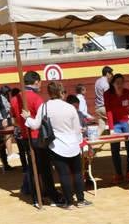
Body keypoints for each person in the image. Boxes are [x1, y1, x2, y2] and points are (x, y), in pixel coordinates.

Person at [24, 81, 91, 209]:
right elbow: (77, 129)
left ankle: (69, 202)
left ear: (49, 93)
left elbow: (35, 125)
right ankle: (81, 200)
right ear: (61, 92)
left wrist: (27, 117)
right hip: (73, 145)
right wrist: (78, 143)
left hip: (56, 146)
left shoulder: (44, 107)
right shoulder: (70, 107)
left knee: (64, 175)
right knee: (77, 173)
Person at [22, 71, 61, 206]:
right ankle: (52, 194)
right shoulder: (36, 98)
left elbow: (15, 120)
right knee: (45, 168)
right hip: (37, 137)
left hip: (24, 137)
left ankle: (35, 196)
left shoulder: (16, 98)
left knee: (33, 168)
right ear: (36, 82)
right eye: (40, 83)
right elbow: (44, 118)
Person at [104, 73, 129, 183]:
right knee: (115, 149)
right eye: (117, 83)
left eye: (121, 82)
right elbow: (108, 111)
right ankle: (118, 174)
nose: (120, 85)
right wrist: (111, 128)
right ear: (113, 84)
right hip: (115, 123)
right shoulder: (107, 94)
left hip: (128, 122)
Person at [9, 88, 30, 174]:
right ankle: (30, 167)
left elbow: (12, 118)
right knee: (28, 150)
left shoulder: (12, 103)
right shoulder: (24, 103)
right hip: (25, 128)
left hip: (18, 129)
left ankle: (24, 168)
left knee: (21, 151)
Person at [0, 85, 20, 164]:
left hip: (4, 118)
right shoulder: (2, 98)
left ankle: (8, 151)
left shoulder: (1, 98)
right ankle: (10, 153)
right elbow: (6, 109)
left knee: (8, 134)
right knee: (8, 134)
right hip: (4, 119)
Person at [93, 66, 113, 134]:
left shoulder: (97, 81)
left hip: (98, 108)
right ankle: (115, 138)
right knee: (116, 120)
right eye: (111, 73)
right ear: (107, 73)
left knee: (101, 127)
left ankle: (94, 140)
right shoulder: (106, 84)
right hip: (105, 108)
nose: (111, 75)